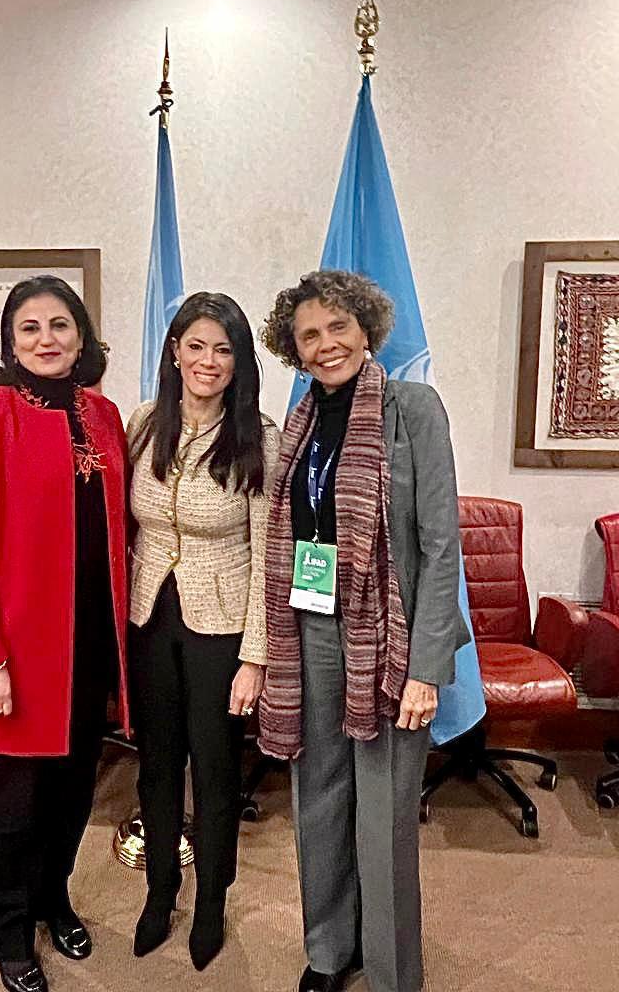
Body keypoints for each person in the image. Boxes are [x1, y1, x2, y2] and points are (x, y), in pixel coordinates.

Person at [258, 270, 469, 992]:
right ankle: (329, 950)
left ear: (366, 329)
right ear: (293, 349)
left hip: (390, 639)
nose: (326, 345)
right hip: (310, 630)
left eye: (337, 327)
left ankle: (391, 973)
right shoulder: (299, 423)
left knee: (382, 814)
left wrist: (426, 669)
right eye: (308, 335)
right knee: (317, 798)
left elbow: (441, 545)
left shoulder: (414, 409)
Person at [0, 276, 129, 992]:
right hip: (15, 654)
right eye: (30, 328)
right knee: (12, 808)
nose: (47, 339)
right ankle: (9, 933)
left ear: (81, 336)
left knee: (74, 792)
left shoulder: (103, 416)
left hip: (90, 646)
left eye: (60, 325)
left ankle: (54, 898)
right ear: (10, 343)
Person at [126, 292, 280, 971]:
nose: (208, 361)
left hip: (223, 625)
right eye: (196, 346)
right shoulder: (143, 423)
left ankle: (212, 900)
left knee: (215, 769)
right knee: (156, 765)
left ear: (239, 362)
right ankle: (160, 891)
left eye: (223, 349)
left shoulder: (259, 437)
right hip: (148, 616)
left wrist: (257, 658)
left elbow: (270, 553)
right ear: (174, 352)